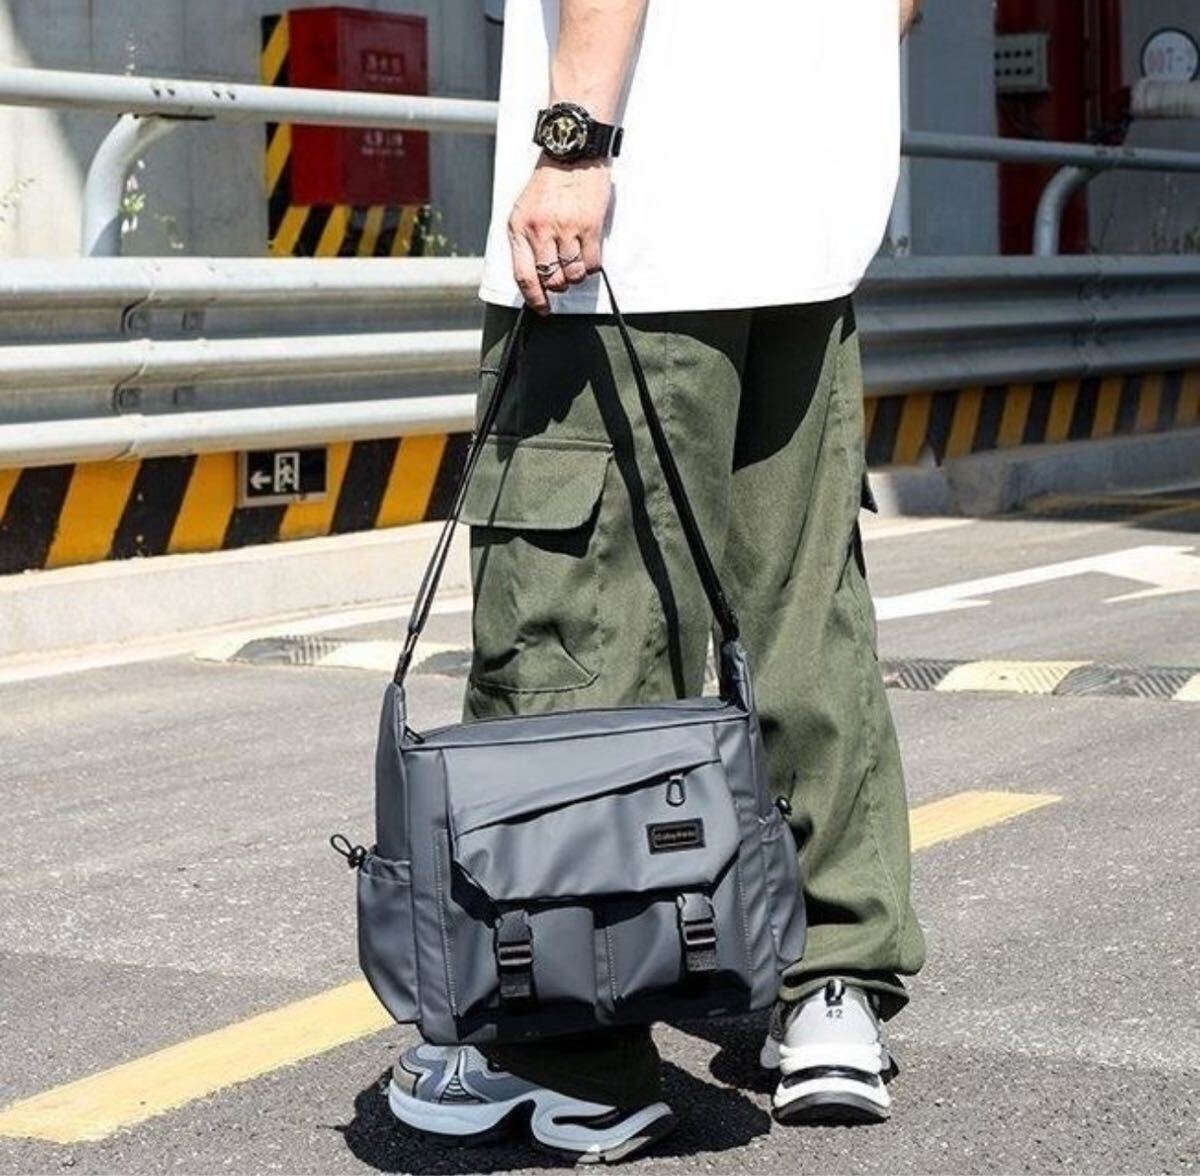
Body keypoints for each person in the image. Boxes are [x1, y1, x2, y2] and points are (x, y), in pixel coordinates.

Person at [388, 0, 926, 1162]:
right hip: (808, 214)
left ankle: (567, 1059)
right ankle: (829, 991)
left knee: (579, 620)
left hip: (640, 223)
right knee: (799, 608)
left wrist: (574, 142)